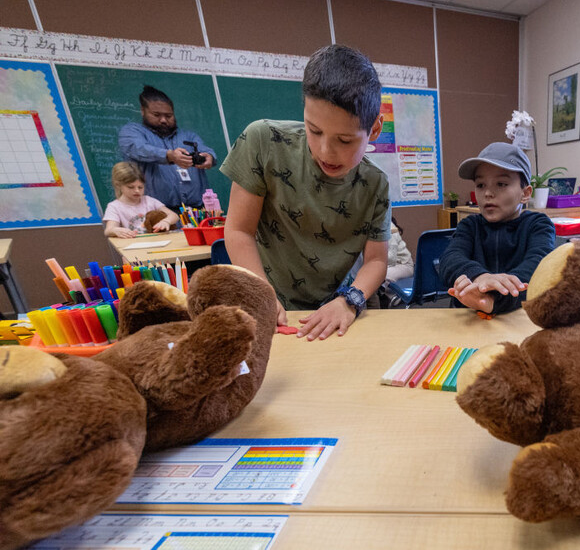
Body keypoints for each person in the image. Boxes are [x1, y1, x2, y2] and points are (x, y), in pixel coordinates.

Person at [221, 44, 390, 341]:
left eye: (345, 140)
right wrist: (262, 294)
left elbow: (376, 260)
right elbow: (238, 230)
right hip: (268, 303)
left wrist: (349, 302)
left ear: (374, 130)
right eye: (314, 130)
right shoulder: (263, 142)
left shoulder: (376, 183)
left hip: (336, 309)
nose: (326, 151)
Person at [439, 142, 556, 315]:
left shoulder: (538, 225)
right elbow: (450, 259)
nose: (488, 193)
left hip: (518, 316)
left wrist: (493, 300)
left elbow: (536, 269)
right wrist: (481, 278)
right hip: (469, 317)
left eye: (501, 184)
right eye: (480, 185)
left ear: (525, 193)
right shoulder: (470, 225)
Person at [118, 85, 217, 212]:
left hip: (197, 212)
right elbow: (139, 149)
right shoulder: (131, 132)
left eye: (169, 115)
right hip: (158, 214)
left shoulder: (188, 136)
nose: (163, 120)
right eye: (156, 115)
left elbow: (207, 151)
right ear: (143, 111)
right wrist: (170, 156)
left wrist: (209, 157)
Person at [102, 161, 179, 238]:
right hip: (132, 246)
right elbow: (108, 230)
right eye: (131, 187)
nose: (137, 191)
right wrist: (115, 230)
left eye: (140, 187)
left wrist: (166, 221)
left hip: (155, 242)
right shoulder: (114, 206)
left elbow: (174, 215)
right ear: (118, 185)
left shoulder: (149, 201)